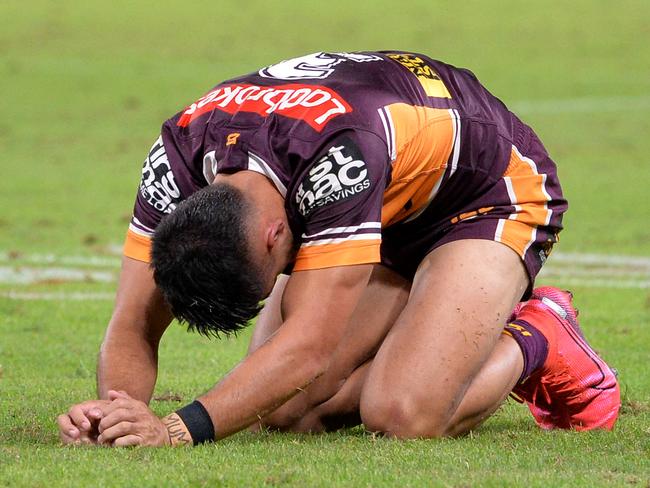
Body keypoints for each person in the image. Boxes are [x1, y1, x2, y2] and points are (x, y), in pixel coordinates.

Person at [57, 51, 620, 447]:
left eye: (281, 272)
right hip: (388, 194)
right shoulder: (174, 159)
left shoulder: (339, 160)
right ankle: (439, 337)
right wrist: (115, 414)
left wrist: (179, 429)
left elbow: (307, 347)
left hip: (485, 194)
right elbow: (133, 319)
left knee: (402, 412)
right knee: (284, 412)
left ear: (277, 236)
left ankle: (539, 332)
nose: (287, 279)